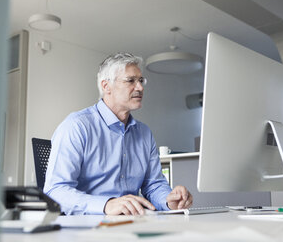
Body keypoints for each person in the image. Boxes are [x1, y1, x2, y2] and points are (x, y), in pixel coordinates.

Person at [44, 52, 193, 215]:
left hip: (131, 223)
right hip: (87, 227)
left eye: (141, 81)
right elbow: (55, 191)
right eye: (131, 81)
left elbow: (153, 185)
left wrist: (169, 200)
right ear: (106, 86)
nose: (140, 87)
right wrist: (107, 205)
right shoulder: (76, 126)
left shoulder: (144, 133)